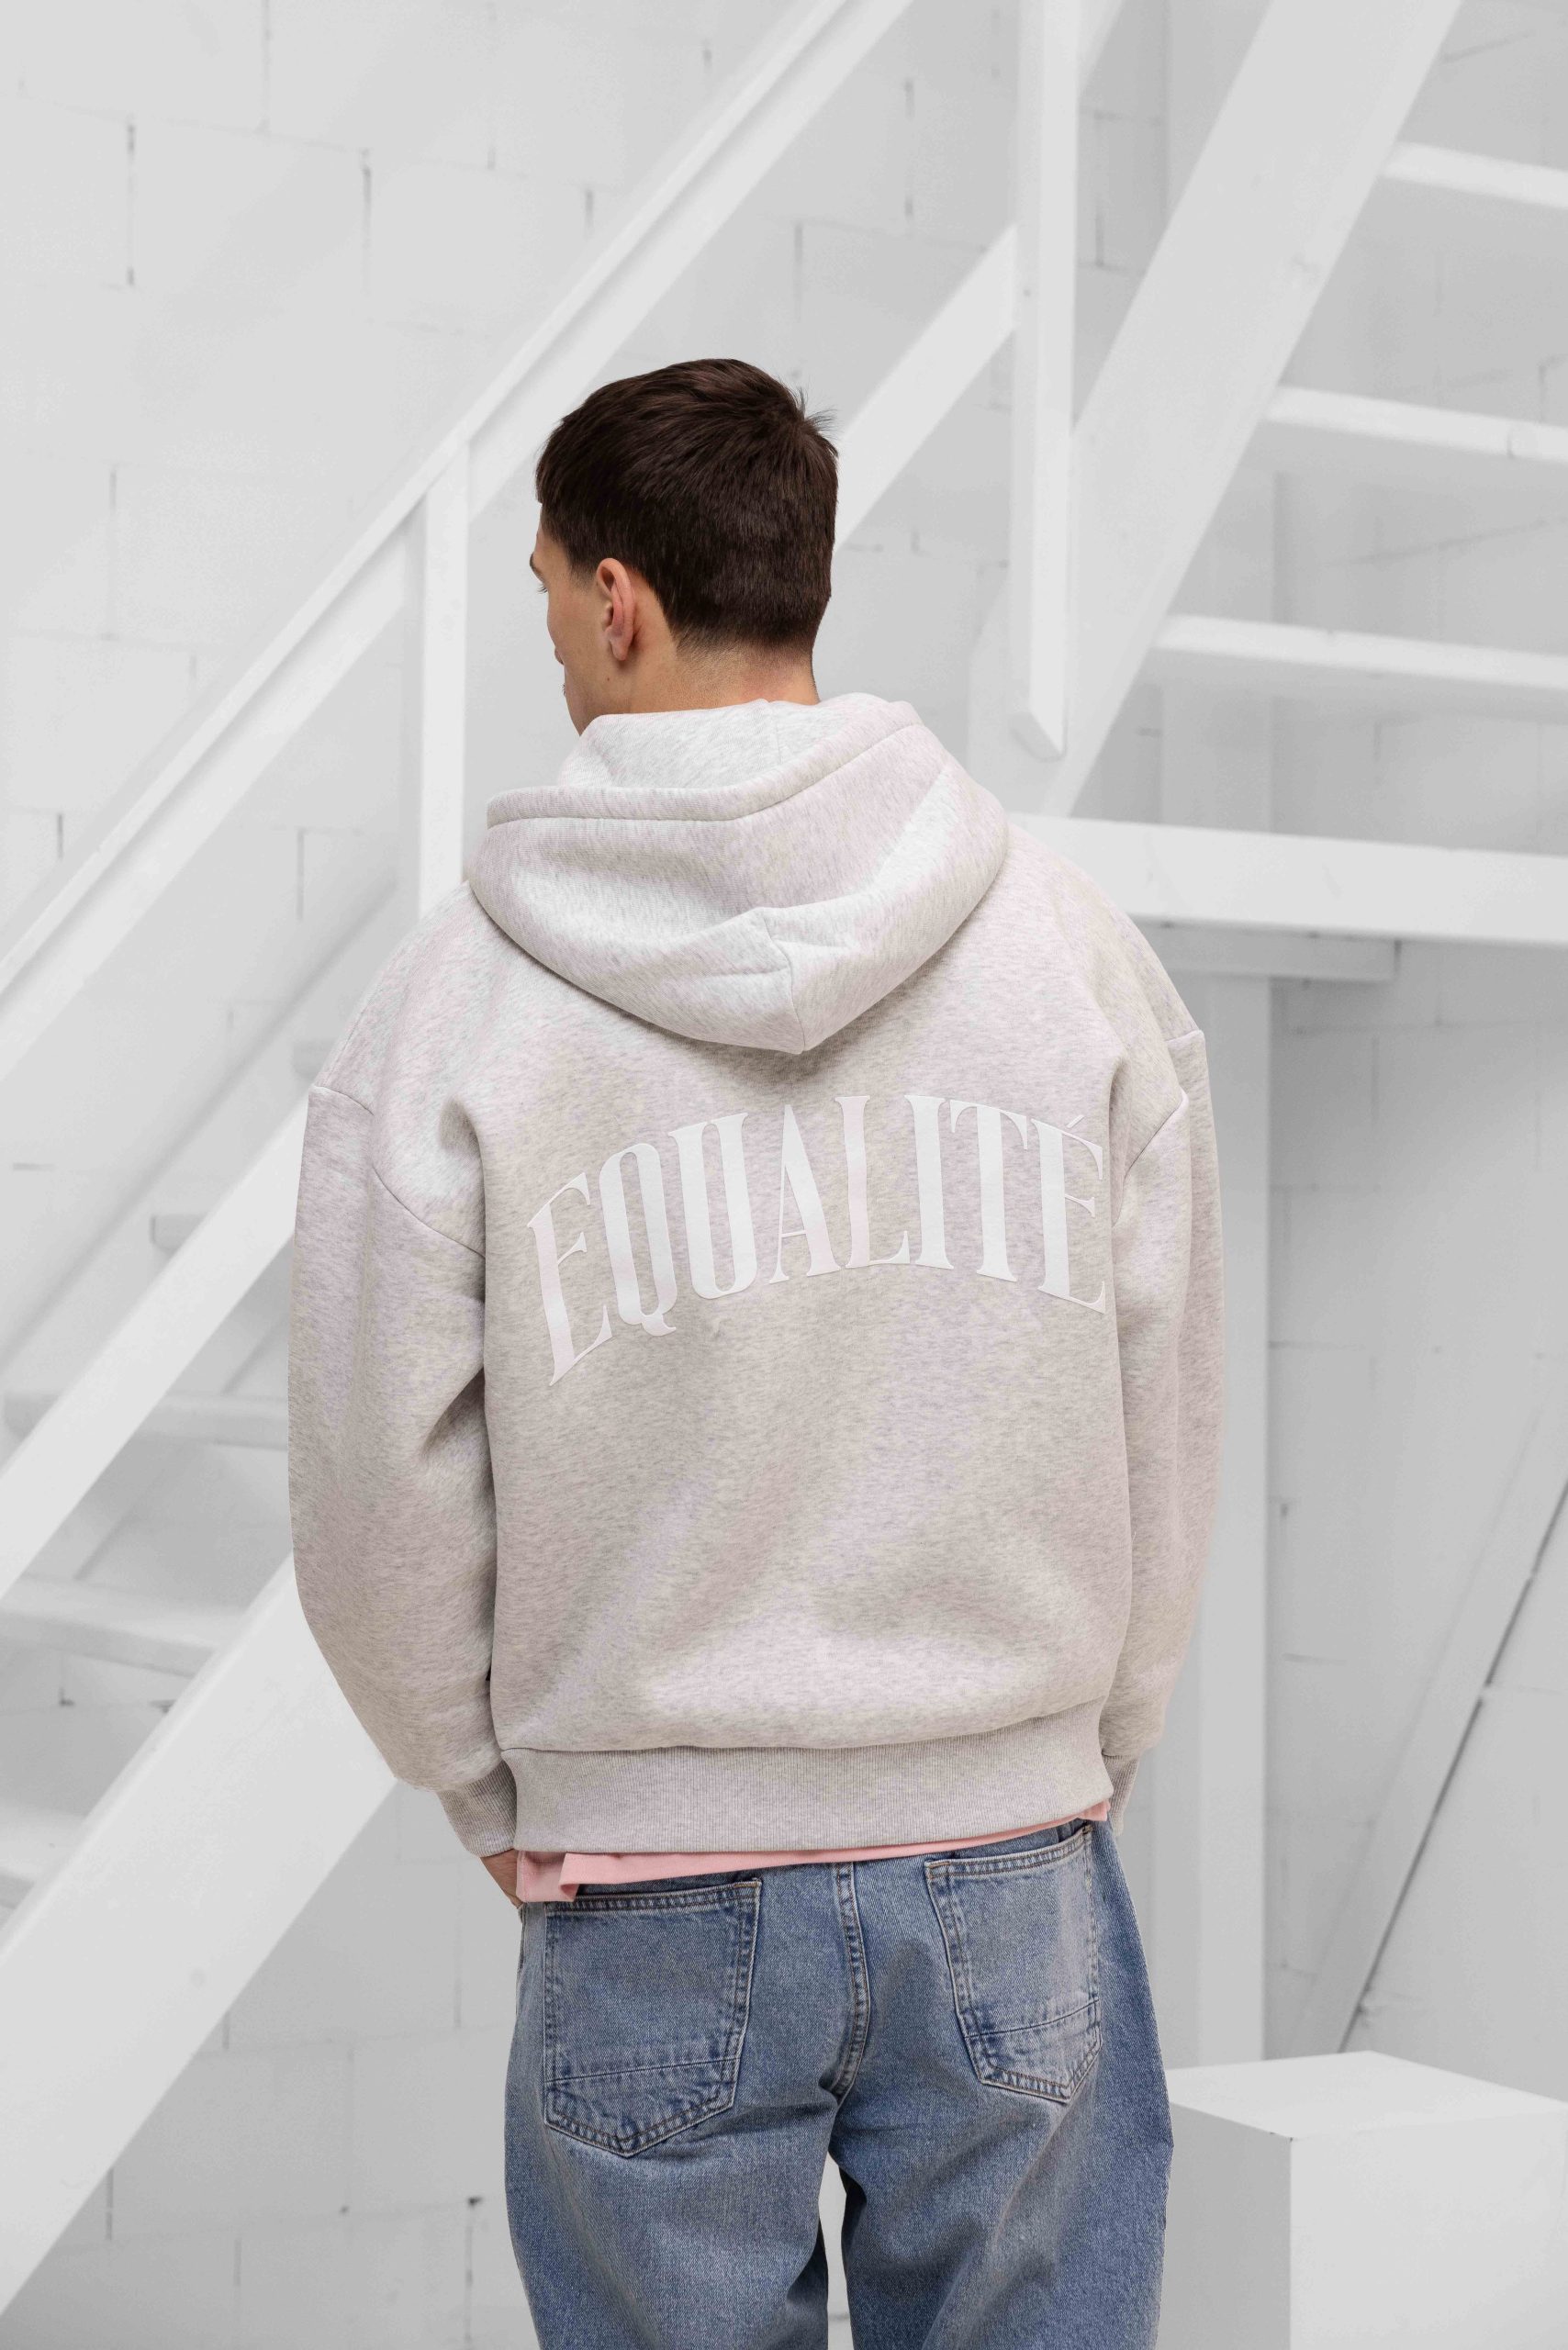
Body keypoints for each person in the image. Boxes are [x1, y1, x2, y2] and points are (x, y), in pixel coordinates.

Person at [286, 356, 1225, 2349]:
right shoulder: (1068, 949)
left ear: (619, 598)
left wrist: (495, 1788)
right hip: (1009, 1844)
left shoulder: (449, 1004)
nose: (554, 633)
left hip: (644, 1870)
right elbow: (1166, 1397)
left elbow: (373, 1492)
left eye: (550, 591)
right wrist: (1085, 1736)